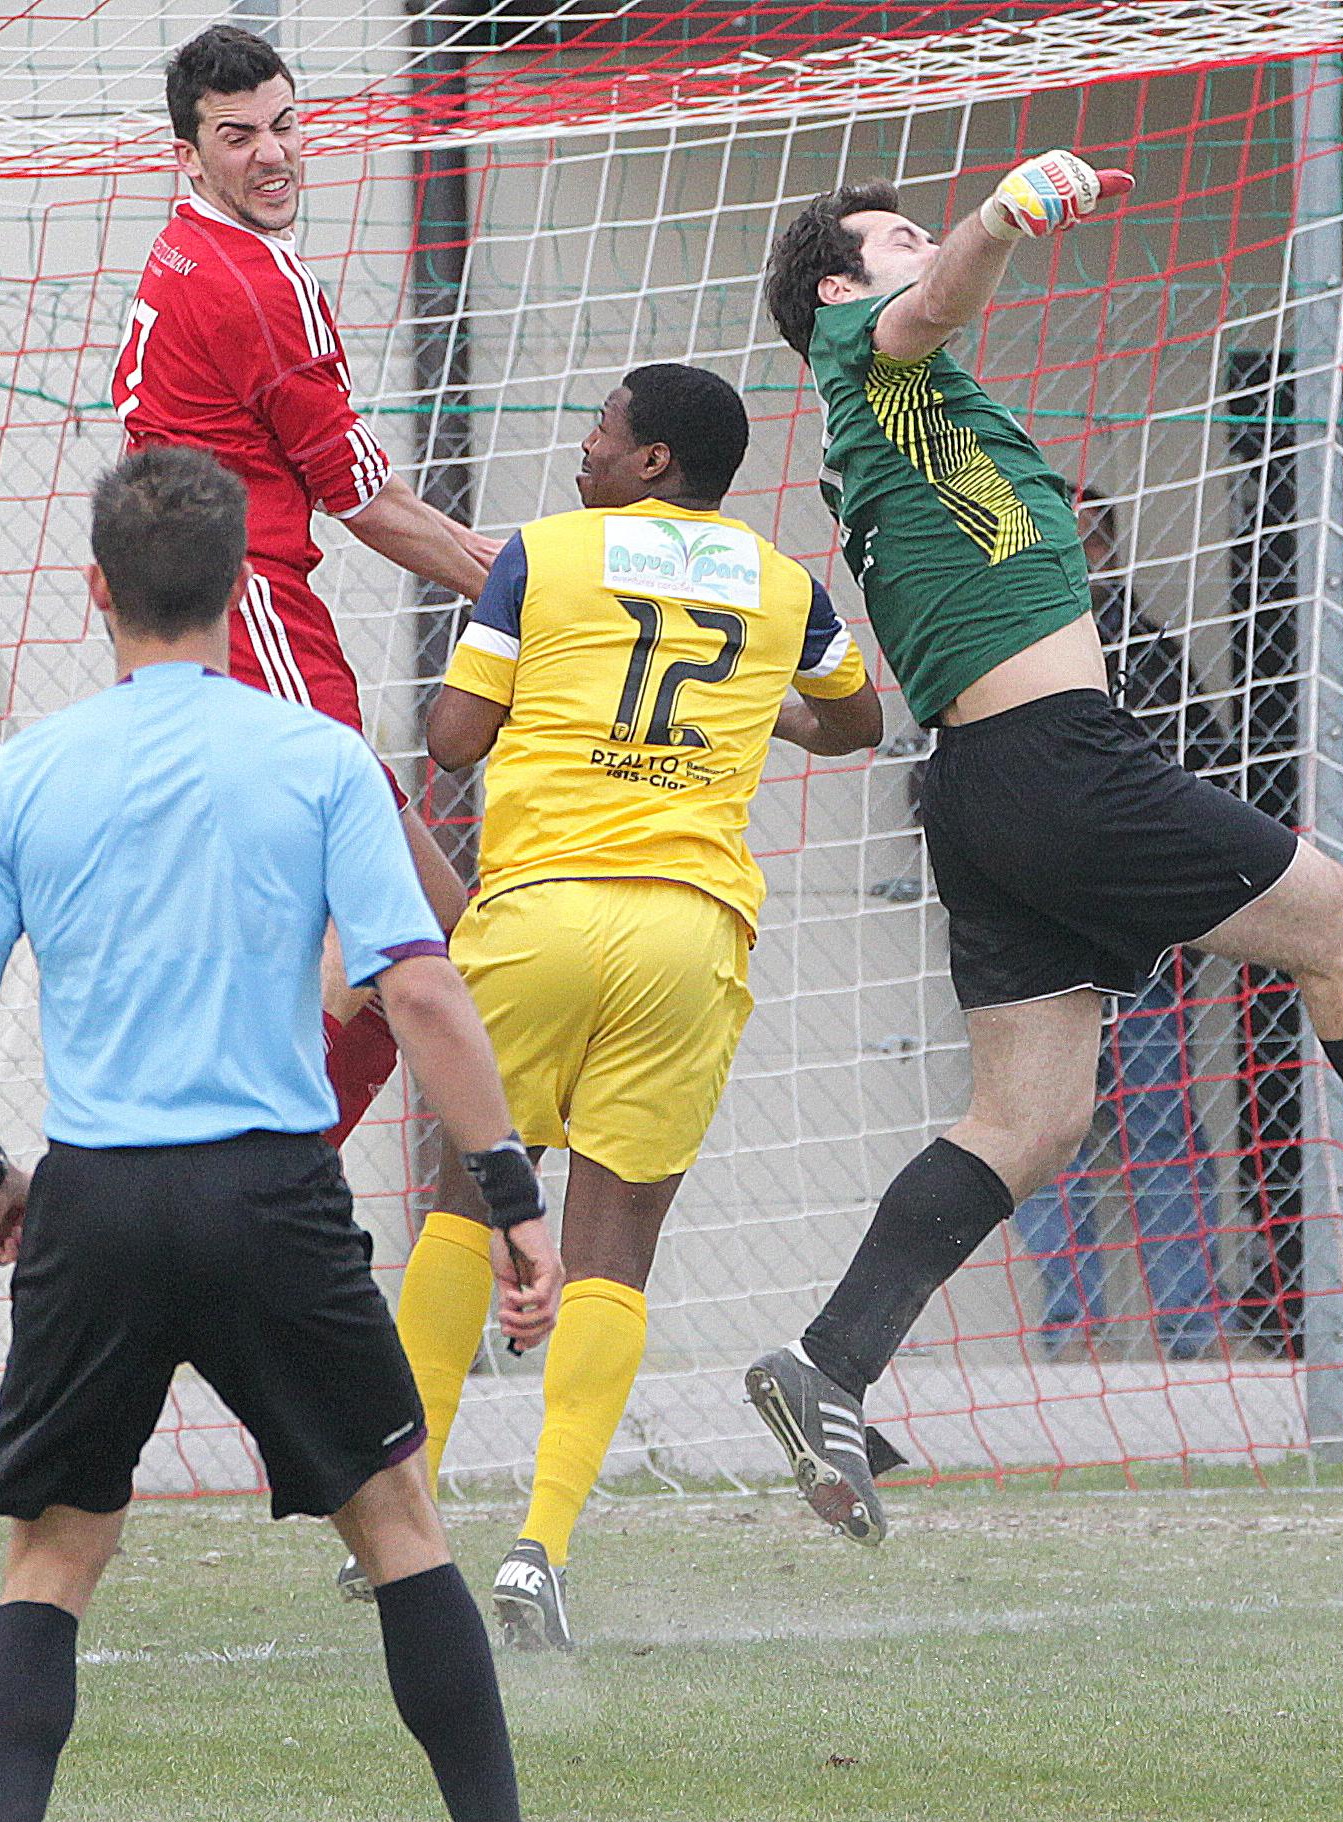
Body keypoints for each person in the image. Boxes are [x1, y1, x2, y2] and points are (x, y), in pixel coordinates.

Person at [741, 152, 1343, 1545]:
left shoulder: (903, 421)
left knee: (1028, 1118)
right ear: (838, 288)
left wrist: (963, 242)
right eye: (897, 235)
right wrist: (994, 218)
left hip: (986, 788)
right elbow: (923, 312)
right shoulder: (880, 354)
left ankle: (830, 1363)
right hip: (1057, 763)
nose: (925, 247)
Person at [0, 446, 554, 1822]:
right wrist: (508, 1190)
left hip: (99, 1198)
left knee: (55, 1555)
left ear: (96, 590)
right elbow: (423, 984)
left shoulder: (22, 778)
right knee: (397, 1529)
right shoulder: (316, 759)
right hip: (274, 1192)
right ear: (242, 581)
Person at [382, 363, 881, 1649]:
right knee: (615, 1249)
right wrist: (733, 716)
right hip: (684, 932)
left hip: (537, 917)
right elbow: (857, 719)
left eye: (600, 433)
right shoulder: (782, 582)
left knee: (463, 1202)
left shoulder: (541, 558)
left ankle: (409, 1515)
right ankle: (541, 1546)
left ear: (652, 460)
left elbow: (448, 739)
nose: (580, 452)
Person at [115, 24, 500, 1142]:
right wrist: (515, 579)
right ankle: (270, 1180)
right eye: (237, 137)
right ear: (188, 154)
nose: (271, 156)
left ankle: (269, 1184)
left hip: (194, 629)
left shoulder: (183, 250)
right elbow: (362, 495)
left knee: (423, 935)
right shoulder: (254, 281)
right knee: (402, 941)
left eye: (284, 126)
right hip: (255, 621)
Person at [1005, 486, 1229, 1359]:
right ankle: (1074, 1329)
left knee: (1158, 1124)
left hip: (1136, 938)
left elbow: (1212, 777)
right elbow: (938, 783)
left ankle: (1191, 1327)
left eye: (1077, 537)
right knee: (1032, 1129)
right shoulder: (996, 638)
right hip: (1031, 935)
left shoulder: (1148, 650)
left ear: (1105, 549)